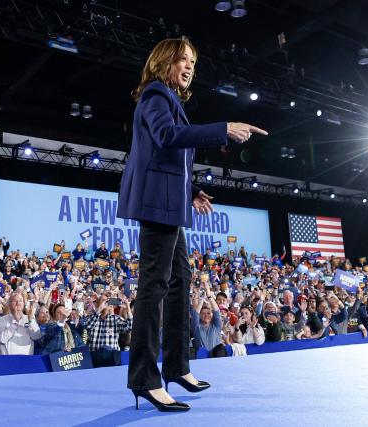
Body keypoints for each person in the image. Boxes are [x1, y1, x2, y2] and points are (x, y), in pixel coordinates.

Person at [116, 37, 267, 412]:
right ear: (164, 61)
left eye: (193, 63)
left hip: (172, 204)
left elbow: (169, 159)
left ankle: (177, 367)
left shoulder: (168, 101)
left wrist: (192, 190)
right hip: (157, 207)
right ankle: (145, 379)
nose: (189, 67)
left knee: (181, 279)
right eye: (183, 60)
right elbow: (166, 139)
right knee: (154, 288)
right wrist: (223, 128)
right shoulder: (155, 95)